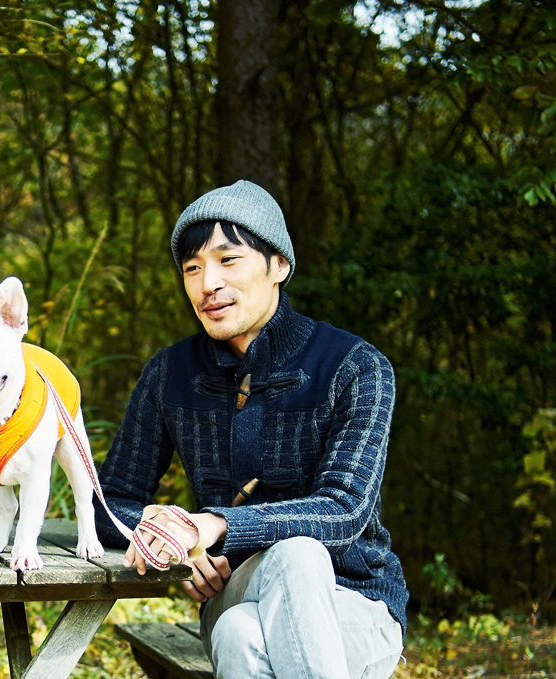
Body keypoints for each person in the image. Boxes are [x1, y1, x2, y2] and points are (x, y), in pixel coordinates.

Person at [94, 180, 409, 678]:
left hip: (356, 604)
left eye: (228, 260)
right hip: (233, 589)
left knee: (248, 624)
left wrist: (215, 524)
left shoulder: (355, 367)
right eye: (192, 268)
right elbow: (108, 502)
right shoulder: (170, 372)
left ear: (279, 265)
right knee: (263, 591)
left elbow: (345, 509)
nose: (208, 284)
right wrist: (170, 538)